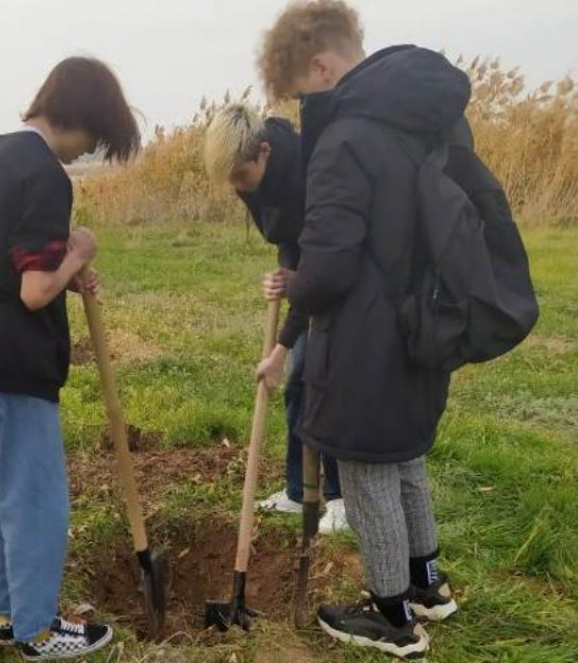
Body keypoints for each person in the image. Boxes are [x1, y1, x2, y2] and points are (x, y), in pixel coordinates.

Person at [258, 1, 465, 658]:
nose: (303, 109)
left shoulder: (346, 138)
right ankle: (427, 581)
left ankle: (392, 614)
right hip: (422, 321)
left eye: (300, 93)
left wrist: (294, 283)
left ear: (321, 65)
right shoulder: (427, 118)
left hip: (367, 334)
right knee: (405, 455)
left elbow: (330, 267)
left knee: (369, 461)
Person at [0, 57, 139, 660]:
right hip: (12, 363)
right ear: (78, 118)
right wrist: (77, 255)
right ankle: (39, 632)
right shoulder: (45, 174)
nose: (86, 152)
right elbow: (33, 291)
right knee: (37, 501)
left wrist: (64, 274)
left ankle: (10, 615)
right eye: (95, 138)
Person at [204, 104, 348, 534]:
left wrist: (283, 345)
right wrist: (287, 277)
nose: (239, 188)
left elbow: (319, 262)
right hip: (311, 274)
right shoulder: (254, 180)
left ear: (263, 152)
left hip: (344, 278)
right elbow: (288, 237)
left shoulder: (309, 173)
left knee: (322, 381)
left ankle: (341, 497)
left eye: (241, 177)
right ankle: (296, 490)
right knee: (298, 386)